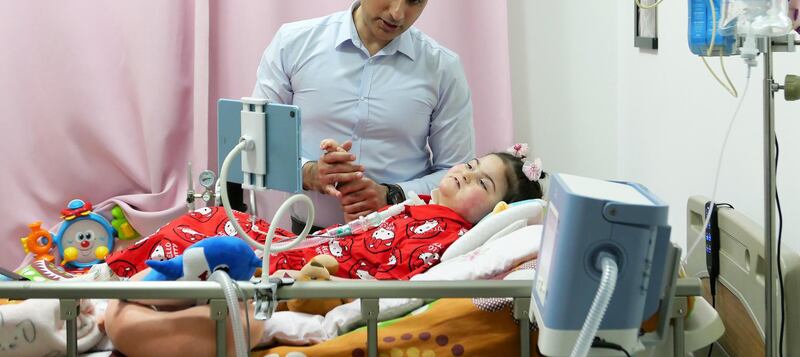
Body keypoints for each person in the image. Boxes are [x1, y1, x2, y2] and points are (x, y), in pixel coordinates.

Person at [102, 146, 544, 356]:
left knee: (209, 227)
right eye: (469, 165)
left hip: (306, 270)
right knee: (210, 220)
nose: (466, 175)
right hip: (304, 246)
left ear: (496, 212)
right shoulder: (419, 206)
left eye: (482, 183)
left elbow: (389, 282)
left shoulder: (447, 236)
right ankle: (122, 279)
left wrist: (328, 275)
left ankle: (117, 284)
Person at [250, 0, 475, 232]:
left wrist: (391, 195)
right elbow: (255, 144)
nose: (397, 13)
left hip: (402, 241)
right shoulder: (293, 44)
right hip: (304, 240)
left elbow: (456, 172)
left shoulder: (443, 68)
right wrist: (309, 172)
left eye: (415, 0)